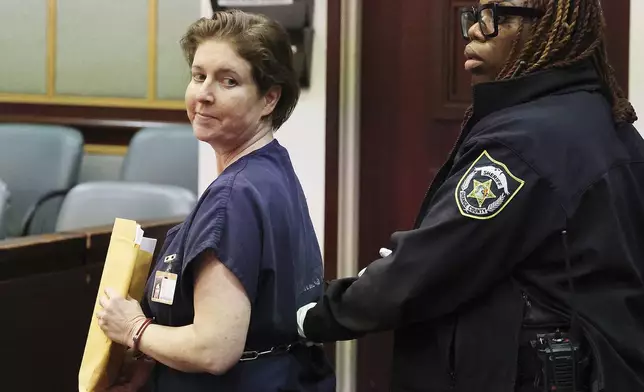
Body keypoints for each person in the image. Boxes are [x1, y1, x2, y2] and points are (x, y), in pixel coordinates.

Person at [297, 0, 644, 391]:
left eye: (498, 16)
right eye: (475, 15)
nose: (476, 30)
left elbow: (431, 267)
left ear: (551, 30)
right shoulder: (609, 125)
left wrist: (314, 318)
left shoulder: (524, 143)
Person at [96, 10, 335, 392]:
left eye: (228, 81)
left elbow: (214, 348)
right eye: (198, 75)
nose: (203, 94)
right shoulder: (270, 169)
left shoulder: (235, 196)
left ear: (269, 98)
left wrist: (133, 329)